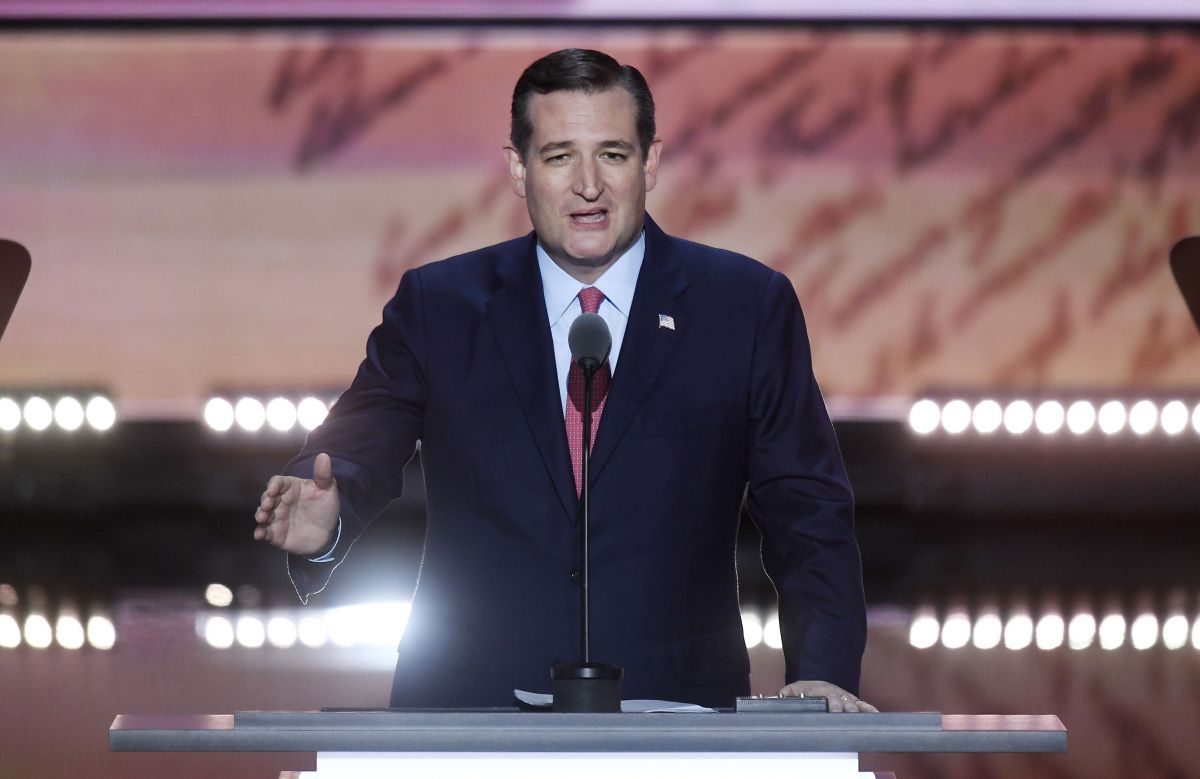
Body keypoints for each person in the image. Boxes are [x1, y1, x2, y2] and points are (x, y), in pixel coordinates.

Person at [254, 48, 873, 712]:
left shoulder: (745, 306)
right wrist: (330, 513)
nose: (588, 185)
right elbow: (357, 444)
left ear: (651, 162)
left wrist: (825, 670)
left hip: (679, 716)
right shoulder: (440, 306)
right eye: (558, 157)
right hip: (467, 717)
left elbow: (808, 514)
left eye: (612, 154)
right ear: (518, 168)